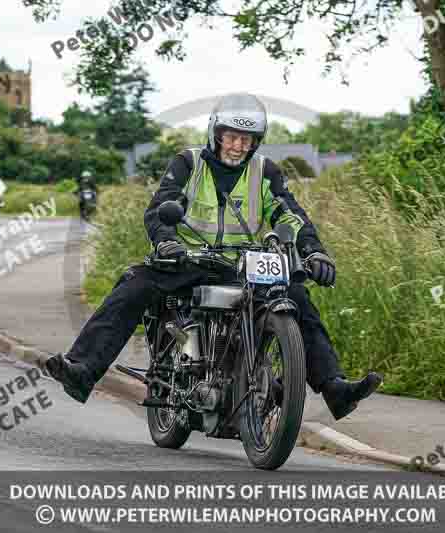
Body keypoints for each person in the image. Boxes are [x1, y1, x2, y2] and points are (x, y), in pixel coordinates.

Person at [45, 93, 382, 421]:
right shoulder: (188, 163)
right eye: (231, 137)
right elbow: (159, 208)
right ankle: (83, 369)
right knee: (135, 284)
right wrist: (166, 242)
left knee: (295, 295)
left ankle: (334, 387)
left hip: (241, 265)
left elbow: (290, 215)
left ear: (256, 141)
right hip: (187, 259)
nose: (237, 146)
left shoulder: (265, 172)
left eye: (246, 139)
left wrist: (314, 251)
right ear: (216, 134)